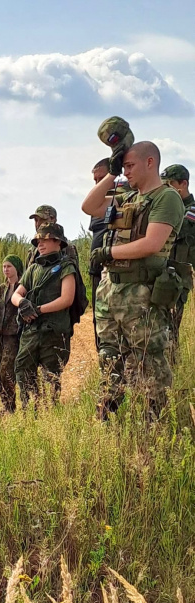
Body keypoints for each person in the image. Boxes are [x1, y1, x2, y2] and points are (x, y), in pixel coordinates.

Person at [83, 136, 185, 419]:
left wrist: (109, 252)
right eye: (123, 166)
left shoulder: (167, 198)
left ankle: (153, 429)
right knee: (109, 359)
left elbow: (152, 243)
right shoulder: (128, 196)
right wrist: (112, 172)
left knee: (147, 363)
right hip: (112, 292)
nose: (125, 171)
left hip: (141, 294)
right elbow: (89, 207)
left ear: (150, 163)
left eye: (129, 165)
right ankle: (110, 424)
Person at [12, 224, 77, 407]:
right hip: (31, 331)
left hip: (53, 332)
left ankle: (51, 414)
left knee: (51, 376)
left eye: (45, 239)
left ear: (58, 242)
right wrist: (23, 303)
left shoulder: (66, 267)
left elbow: (67, 299)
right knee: (23, 370)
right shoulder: (33, 269)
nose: (40, 244)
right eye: (38, 241)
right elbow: (16, 295)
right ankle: (29, 410)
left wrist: (39, 310)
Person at [161, 164, 195, 351]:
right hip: (166, 273)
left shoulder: (191, 211)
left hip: (180, 278)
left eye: (170, 184)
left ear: (183, 184)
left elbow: (176, 231)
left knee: (171, 327)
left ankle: (172, 368)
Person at [87, 159, 115, 349]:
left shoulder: (123, 200)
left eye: (101, 178)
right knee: (99, 321)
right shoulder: (98, 204)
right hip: (97, 272)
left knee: (112, 322)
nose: (98, 184)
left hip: (113, 272)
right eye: (95, 180)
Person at [0, 256, 23, 413]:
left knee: (7, 371)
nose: (6, 269)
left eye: (9, 266)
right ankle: (6, 405)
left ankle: (11, 405)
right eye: (4, 266)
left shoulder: (23, 287)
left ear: (16, 267)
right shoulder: (0, 288)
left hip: (13, 335)